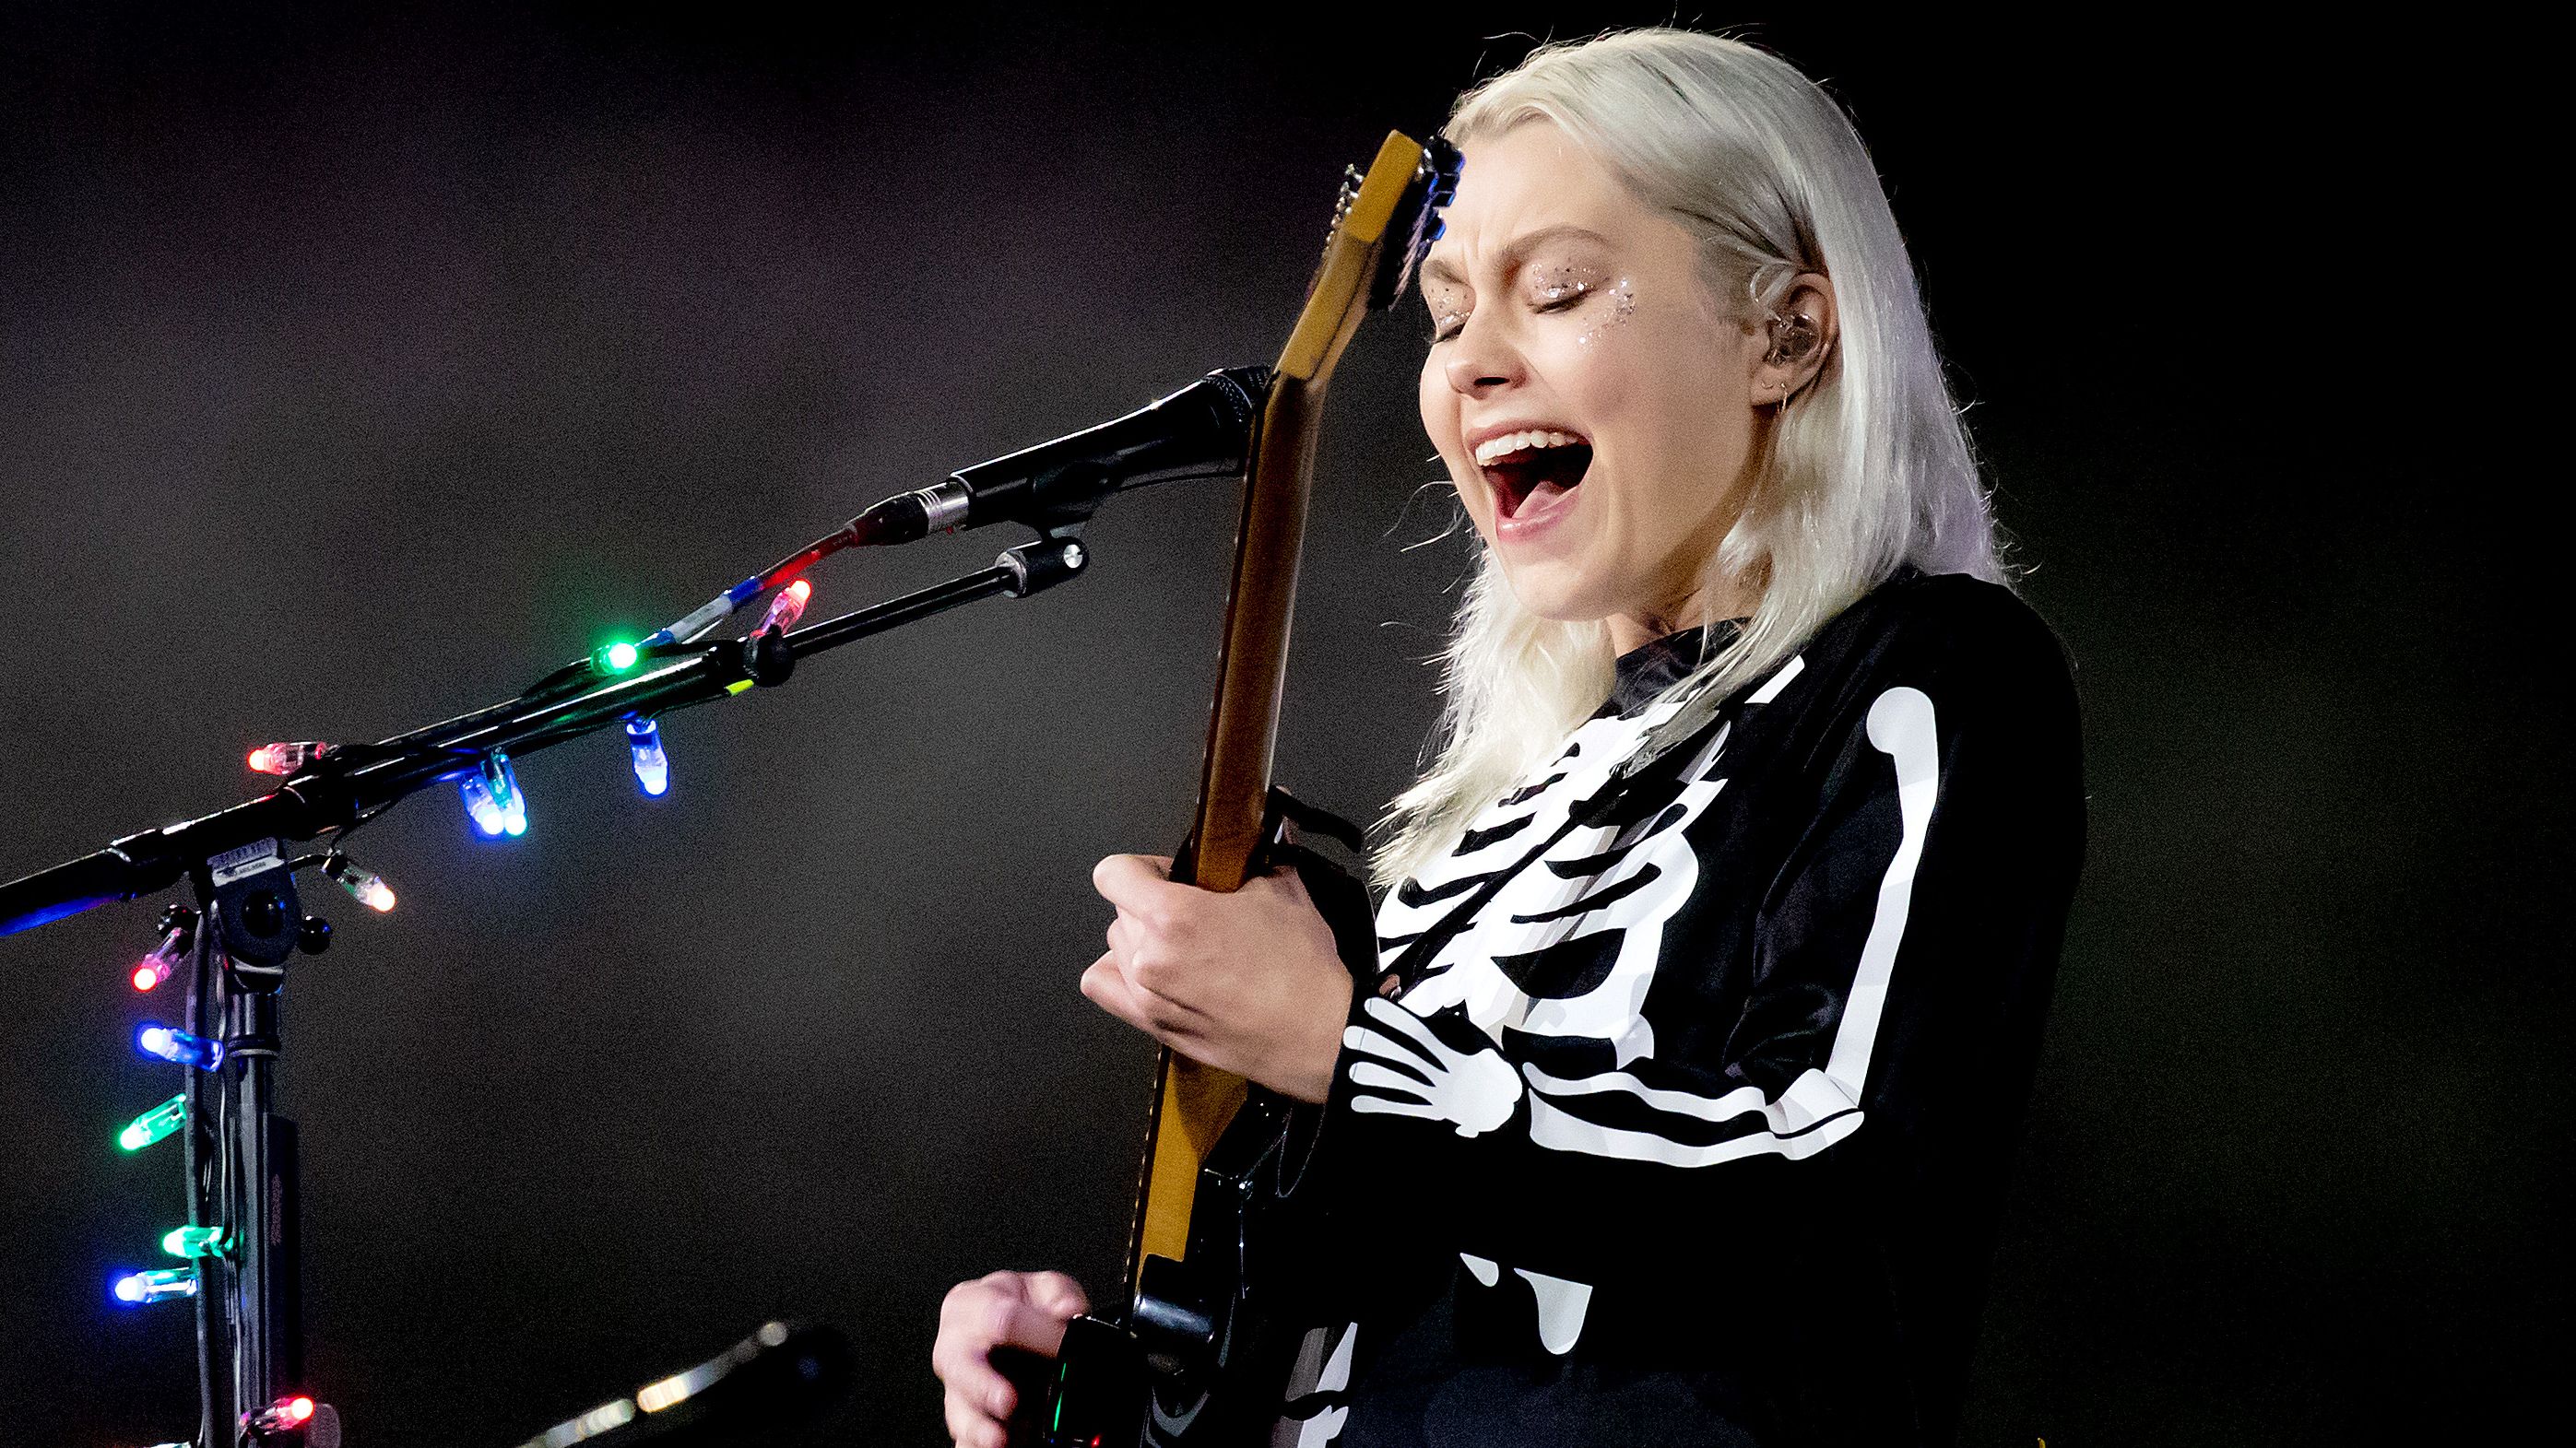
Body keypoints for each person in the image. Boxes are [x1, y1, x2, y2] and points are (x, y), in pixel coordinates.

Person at [933, 27, 2084, 1448]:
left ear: (1784, 332)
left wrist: (1347, 1052)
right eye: (1442, 309)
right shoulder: (1476, 837)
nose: (1468, 366)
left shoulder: (1929, 673)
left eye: (1557, 292)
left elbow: (1835, 1188)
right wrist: (1093, 1390)